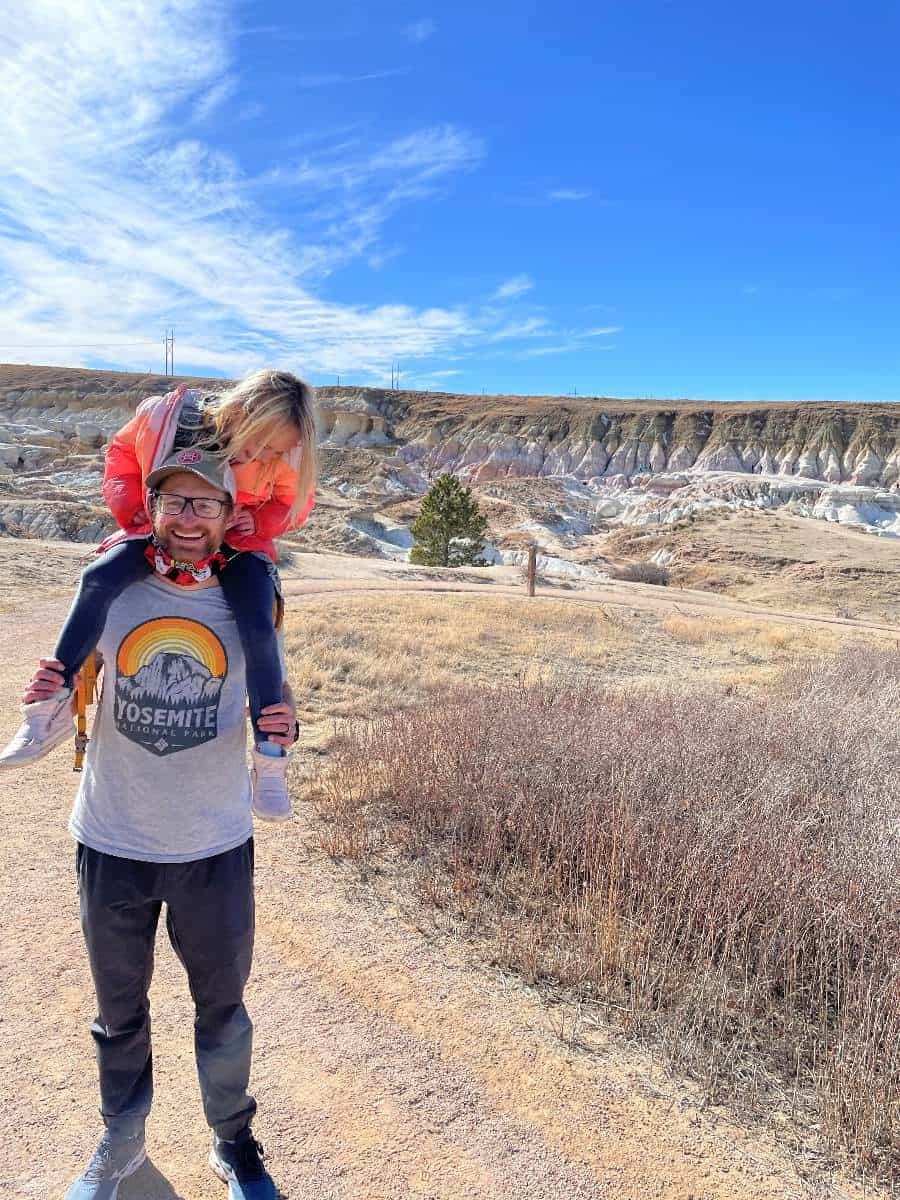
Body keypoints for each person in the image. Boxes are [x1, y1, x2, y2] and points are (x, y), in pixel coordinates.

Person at [21, 450, 294, 1200]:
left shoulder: (248, 598)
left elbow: (276, 682)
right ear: (153, 508)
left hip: (213, 843)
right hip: (113, 837)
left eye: (206, 506)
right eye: (176, 502)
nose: (189, 519)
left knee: (223, 1010)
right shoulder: (114, 588)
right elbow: (72, 669)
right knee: (119, 1011)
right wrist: (50, 688)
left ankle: (233, 1144)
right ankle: (123, 1141)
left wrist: (285, 718)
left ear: (229, 516)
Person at [0, 368, 316, 820]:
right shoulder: (166, 419)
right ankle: (50, 705)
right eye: (258, 441)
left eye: (275, 450)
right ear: (240, 411)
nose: (263, 455)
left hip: (236, 545)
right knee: (99, 579)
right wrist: (134, 515)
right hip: (157, 530)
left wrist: (260, 524)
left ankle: (270, 756)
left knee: (257, 621)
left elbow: (293, 502)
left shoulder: (284, 453)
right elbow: (122, 457)